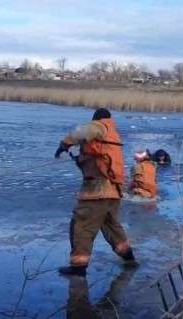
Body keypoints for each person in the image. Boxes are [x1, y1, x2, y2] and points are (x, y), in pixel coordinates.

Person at [54, 108, 136, 277]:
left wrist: (64, 144)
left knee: (82, 224)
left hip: (97, 190)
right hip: (113, 190)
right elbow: (100, 160)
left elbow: (81, 132)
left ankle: (78, 266)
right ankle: (128, 256)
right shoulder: (112, 135)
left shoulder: (99, 126)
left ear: (96, 118)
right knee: (110, 224)